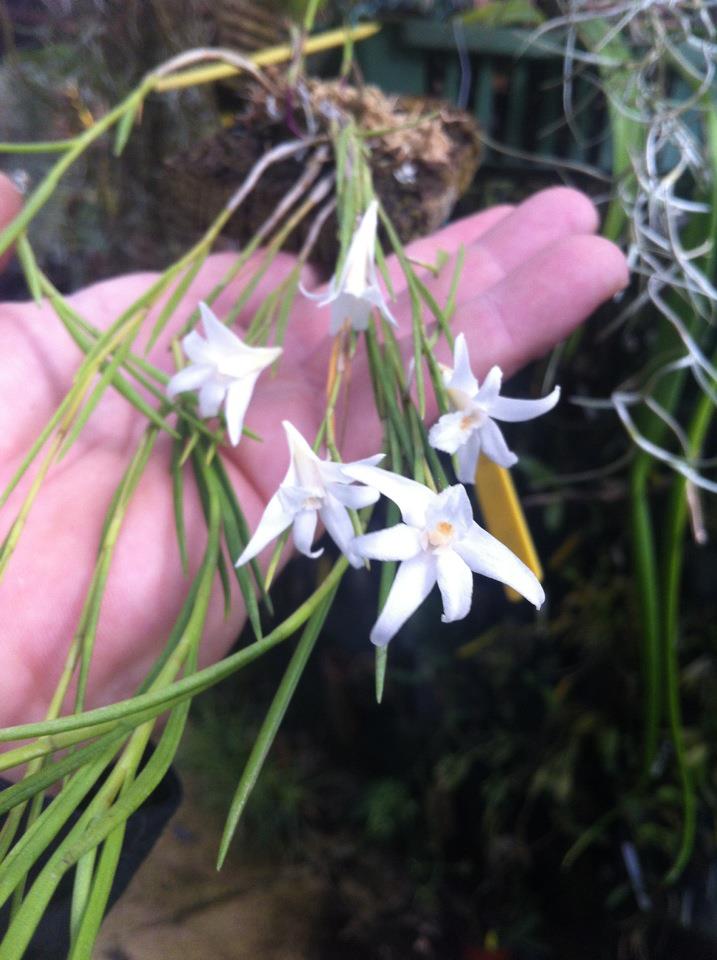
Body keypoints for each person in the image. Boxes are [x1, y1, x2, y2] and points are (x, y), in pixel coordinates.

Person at [0, 173, 628, 745]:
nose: (443, 525)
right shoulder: (401, 494)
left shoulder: (420, 503)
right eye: (445, 522)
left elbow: (416, 509)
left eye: (442, 523)